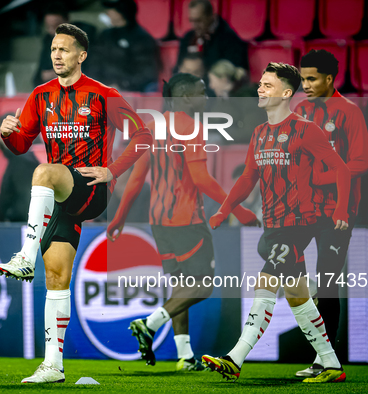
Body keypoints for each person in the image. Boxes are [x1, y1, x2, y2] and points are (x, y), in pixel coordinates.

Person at [0, 23, 152, 383]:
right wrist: (8, 134)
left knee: (44, 172)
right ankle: (53, 365)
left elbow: (143, 135)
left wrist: (113, 171)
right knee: (56, 277)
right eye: (53, 49)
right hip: (61, 200)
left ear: (82, 55)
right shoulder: (40, 95)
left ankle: (25, 255)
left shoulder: (103, 94)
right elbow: (21, 144)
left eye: (64, 49)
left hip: (91, 188)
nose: (56, 55)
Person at [205, 62, 351, 383]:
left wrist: (340, 209)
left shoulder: (306, 129)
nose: (260, 88)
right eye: (260, 83)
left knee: (266, 283)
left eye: (267, 85)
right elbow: (247, 178)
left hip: (298, 223)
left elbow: (340, 168)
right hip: (272, 224)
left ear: (286, 93)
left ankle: (235, 357)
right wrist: (224, 209)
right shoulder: (259, 134)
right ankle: (331, 363)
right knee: (299, 297)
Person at [107, 73, 258, 371]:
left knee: (181, 287)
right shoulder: (192, 127)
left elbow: (136, 179)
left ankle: (184, 357)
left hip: (159, 221)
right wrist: (236, 209)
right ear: (187, 97)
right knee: (203, 286)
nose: (206, 97)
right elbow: (201, 179)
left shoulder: (151, 127)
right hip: (187, 219)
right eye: (202, 93)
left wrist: (119, 217)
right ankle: (149, 324)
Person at [294, 49, 368, 377]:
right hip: (303, 209)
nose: (305, 85)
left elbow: (362, 161)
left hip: (337, 211)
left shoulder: (349, 112)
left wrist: (321, 176)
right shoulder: (300, 109)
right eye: (302, 79)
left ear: (329, 78)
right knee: (282, 275)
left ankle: (326, 360)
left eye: (311, 79)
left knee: (326, 280)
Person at [91, 0, 159, 92]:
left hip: (128, 90)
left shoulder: (141, 38)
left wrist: (122, 84)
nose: (108, 12)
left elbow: (146, 72)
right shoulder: (105, 35)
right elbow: (94, 62)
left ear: (122, 12)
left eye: (112, 9)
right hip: (101, 87)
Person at [32, 1, 96, 87]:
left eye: (56, 26)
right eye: (48, 27)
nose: (52, 31)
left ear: (67, 21)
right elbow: (40, 76)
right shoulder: (48, 40)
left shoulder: (83, 37)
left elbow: (91, 69)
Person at [175, 0, 247, 74]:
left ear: (210, 16)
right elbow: (177, 69)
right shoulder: (188, 37)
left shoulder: (229, 39)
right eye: (191, 20)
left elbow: (235, 73)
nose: (194, 25)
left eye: (199, 21)